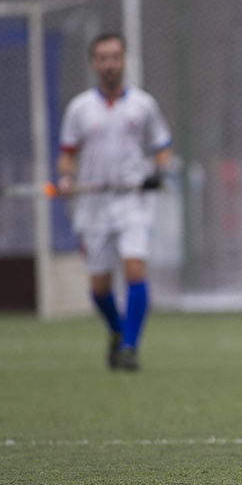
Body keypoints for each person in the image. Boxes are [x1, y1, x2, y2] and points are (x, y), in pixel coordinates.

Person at [56, 32, 173, 372]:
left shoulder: (143, 105)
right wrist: (66, 179)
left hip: (131, 201)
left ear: (124, 62)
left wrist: (158, 171)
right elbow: (67, 157)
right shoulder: (79, 109)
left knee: (135, 268)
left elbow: (162, 147)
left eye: (115, 58)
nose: (109, 64)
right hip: (93, 204)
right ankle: (116, 332)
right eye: (102, 58)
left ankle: (129, 348)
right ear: (94, 63)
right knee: (99, 287)